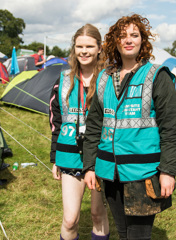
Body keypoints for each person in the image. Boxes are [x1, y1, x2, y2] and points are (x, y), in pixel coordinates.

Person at [83, 14, 176, 240]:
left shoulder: (157, 76)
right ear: (115, 42)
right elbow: (93, 128)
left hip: (143, 174)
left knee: (138, 235)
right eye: (122, 36)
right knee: (122, 232)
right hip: (109, 172)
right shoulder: (103, 79)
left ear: (142, 41)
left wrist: (168, 171)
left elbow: (173, 130)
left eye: (134, 35)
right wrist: (89, 165)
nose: (128, 40)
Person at [49, 24, 109, 240]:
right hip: (70, 154)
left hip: (101, 155)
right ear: (74, 48)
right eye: (79, 46)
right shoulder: (64, 80)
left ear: (99, 48)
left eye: (90, 46)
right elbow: (56, 121)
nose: (84, 51)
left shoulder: (108, 79)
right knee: (70, 219)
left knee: (96, 213)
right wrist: (55, 156)